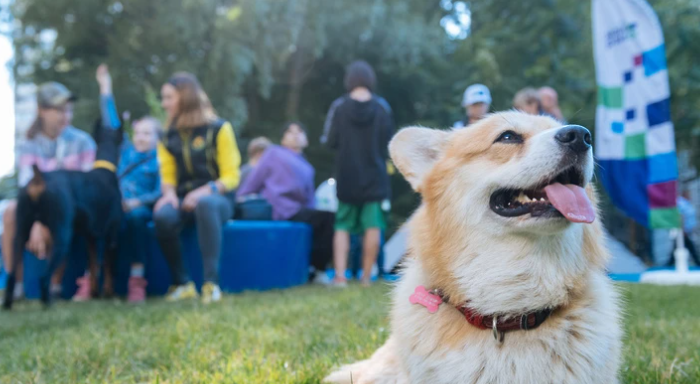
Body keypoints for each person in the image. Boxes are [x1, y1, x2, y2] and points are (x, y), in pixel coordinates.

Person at [1, 82, 96, 300]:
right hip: (37, 206)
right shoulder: (29, 144)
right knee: (9, 213)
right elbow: (28, 184)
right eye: (58, 110)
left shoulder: (83, 142)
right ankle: (15, 286)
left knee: (58, 213)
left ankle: (54, 285)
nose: (65, 115)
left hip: (72, 208)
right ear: (42, 111)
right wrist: (35, 222)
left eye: (68, 110)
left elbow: (85, 188)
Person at [153, 72, 241, 304]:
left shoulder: (219, 128)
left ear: (186, 97)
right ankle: (182, 283)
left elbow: (232, 175)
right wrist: (169, 195)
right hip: (184, 199)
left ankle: (211, 284)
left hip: (217, 199)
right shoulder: (166, 137)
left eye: (168, 97)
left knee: (206, 204)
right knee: (163, 216)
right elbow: (168, 175)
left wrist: (205, 190)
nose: (164, 104)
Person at [84, 64, 161, 303]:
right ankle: (91, 278)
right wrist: (105, 88)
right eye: (139, 132)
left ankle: (136, 280)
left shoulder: (160, 160)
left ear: (157, 139)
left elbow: (160, 191)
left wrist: (138, 201)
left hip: (139, 208)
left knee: (136, 219)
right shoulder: (125, 151)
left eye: (148, 134)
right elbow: (112, 122)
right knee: (96, 218)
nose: (142, 137)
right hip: (116, 206)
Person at [322, 60, 394, 287]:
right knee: (372, 226)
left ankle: (341, 277)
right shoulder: (382, 107)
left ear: (349, 80)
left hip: (346, 176)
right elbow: (389, 143)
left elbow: (329, 140)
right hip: (375, 177)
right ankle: (365, 278)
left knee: (342, 226)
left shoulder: (339, 106)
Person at [238, 122, 335, 278]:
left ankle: (315, 269)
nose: (295, 134)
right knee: (328, 218)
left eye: (300, 131)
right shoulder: (273, 153)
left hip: (297, 211)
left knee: (327, 218)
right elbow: (255, 179)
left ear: (306, 141)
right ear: (283, 139)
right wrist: (241, 197)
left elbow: (309, 199)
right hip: (277, 207)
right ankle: (317, 270)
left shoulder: (308, 167)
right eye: (290, 132)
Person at [668, 192, 700, 266]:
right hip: (683, 230)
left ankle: (669, 263)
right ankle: (697, 262)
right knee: (690, 247)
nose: (690, 196)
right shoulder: (681, 203)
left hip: (686, 230)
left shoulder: (686, 203)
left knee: (677, 247)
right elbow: (681, 216)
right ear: (685, 194)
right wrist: (682, 229)